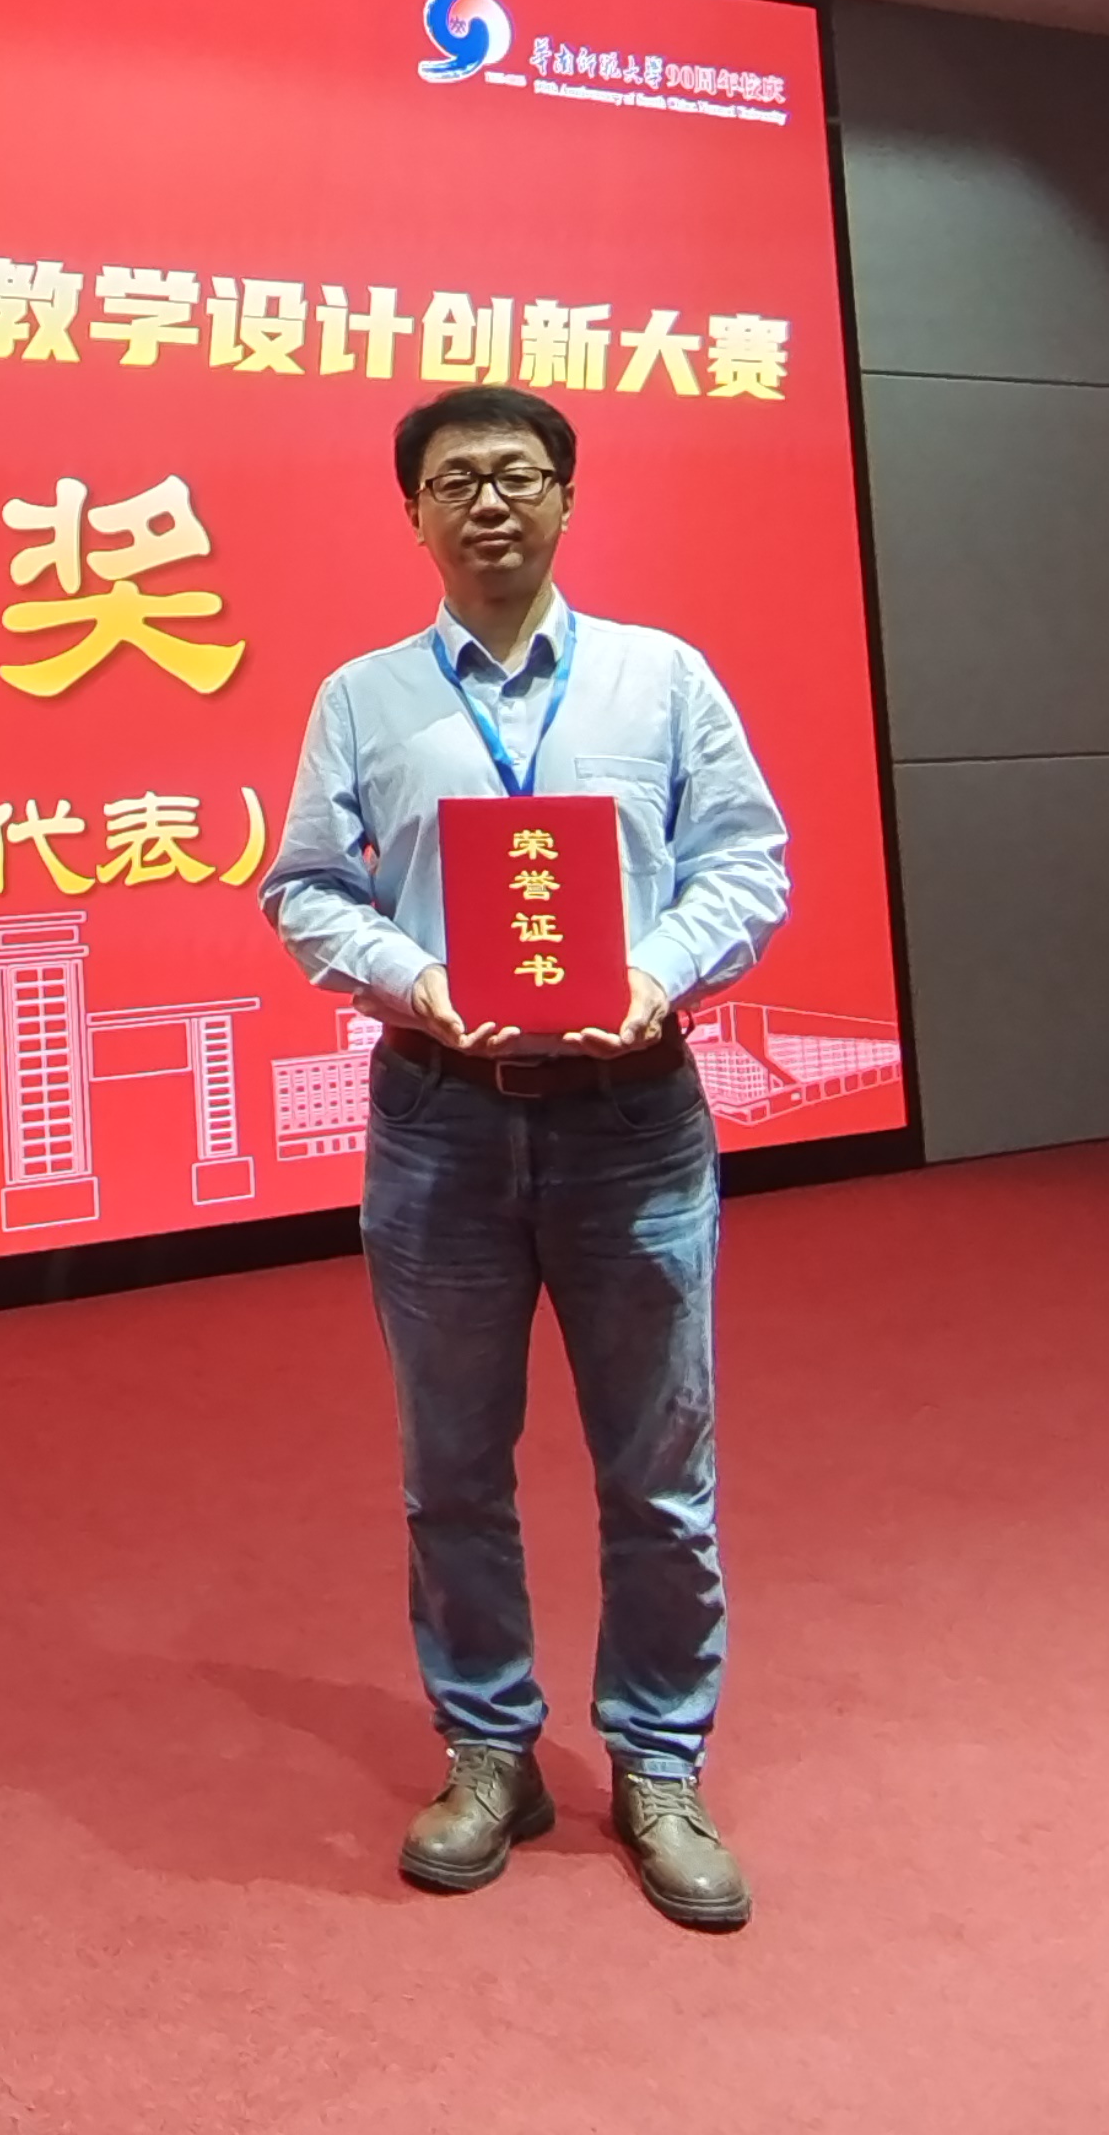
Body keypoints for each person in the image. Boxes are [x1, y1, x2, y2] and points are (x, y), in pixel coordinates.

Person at [259, 385, 787, 1931]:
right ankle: (490, 1748)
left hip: (632, 1118)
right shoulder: (363, 698)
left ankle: (660, 1762)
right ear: (414, 514)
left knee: (661, 1474)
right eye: (455, 481)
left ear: (564, 496)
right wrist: (412, 976)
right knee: (450, 1471)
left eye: (516, 474)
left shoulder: (661, 678)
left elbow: (745, 862)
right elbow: (306, 887)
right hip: (443, 1121)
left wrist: (659, 971)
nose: (488, 502)